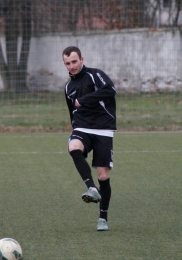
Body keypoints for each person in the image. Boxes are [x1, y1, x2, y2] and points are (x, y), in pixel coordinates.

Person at [62, 46, 116, 231]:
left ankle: (103, 217)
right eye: (67, 63)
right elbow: (72, 111)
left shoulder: (95, 75)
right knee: (73, 147)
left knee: (103, 175)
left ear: (82, 59)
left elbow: (110, 90)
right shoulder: (68, 86)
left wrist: (85, 99)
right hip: (82, 127)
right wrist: (74, 128)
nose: (71, 66)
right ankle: (91, 188)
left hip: (103, 128)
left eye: (74, 61)